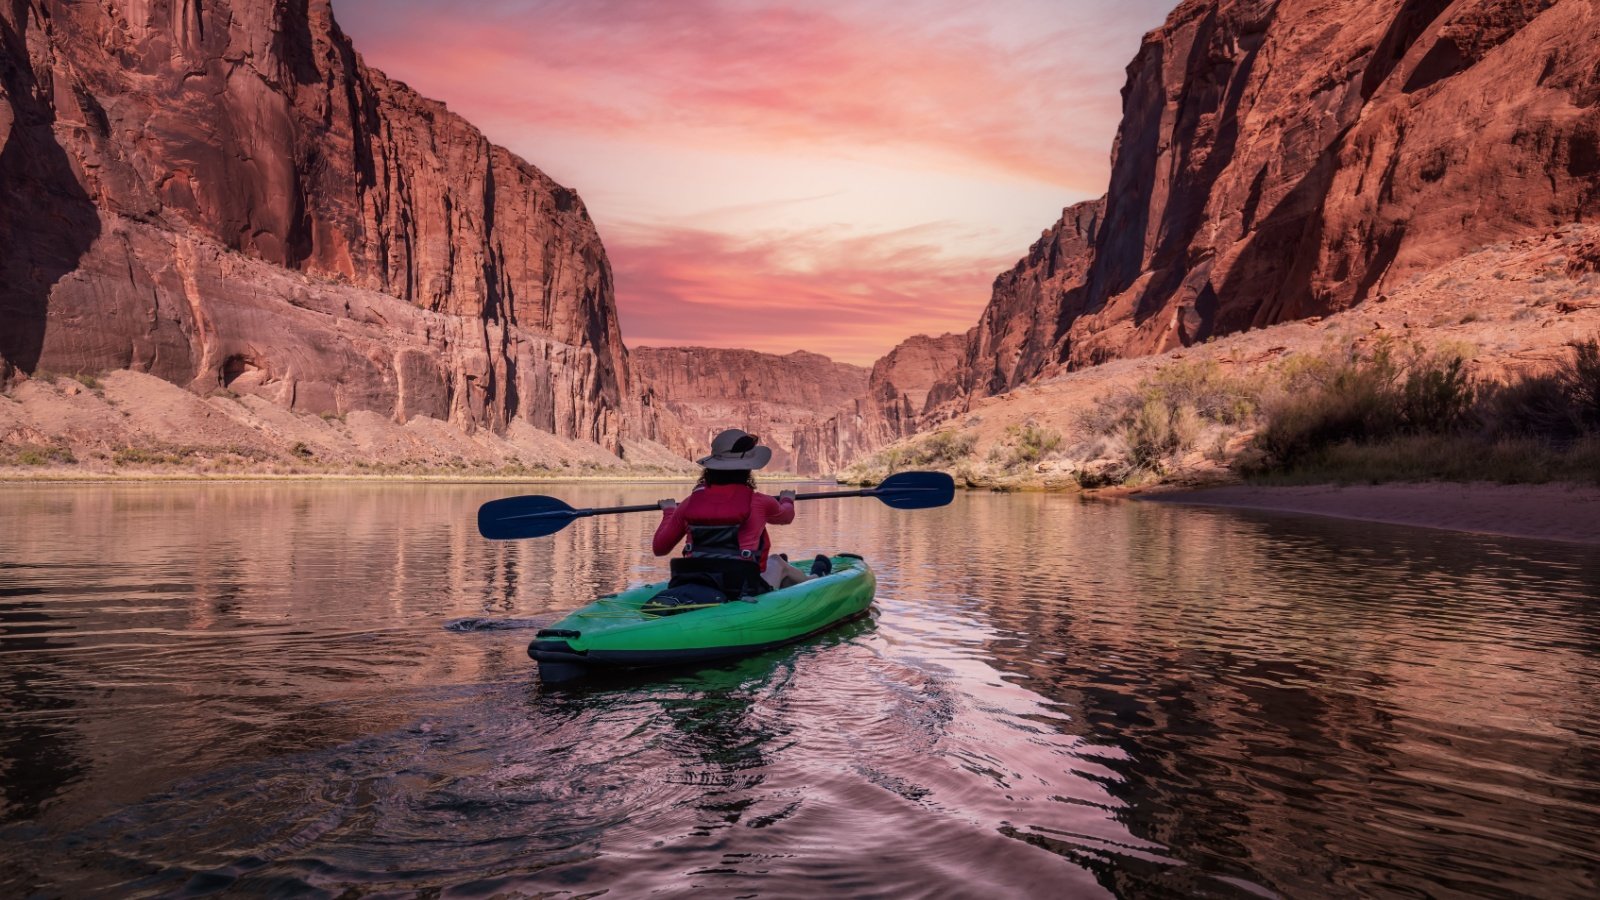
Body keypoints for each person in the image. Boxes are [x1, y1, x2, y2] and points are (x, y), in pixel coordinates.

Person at [653, 428, 827, 595]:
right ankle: (816, 578)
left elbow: (660, 548)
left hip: (697, 579)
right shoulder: (759, 502)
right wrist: (787, 499)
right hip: (742, 588)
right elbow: (786, 517)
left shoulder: (688, 504)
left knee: (772, 562)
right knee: (777, 561)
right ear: (747, 469)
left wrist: (669, 512)